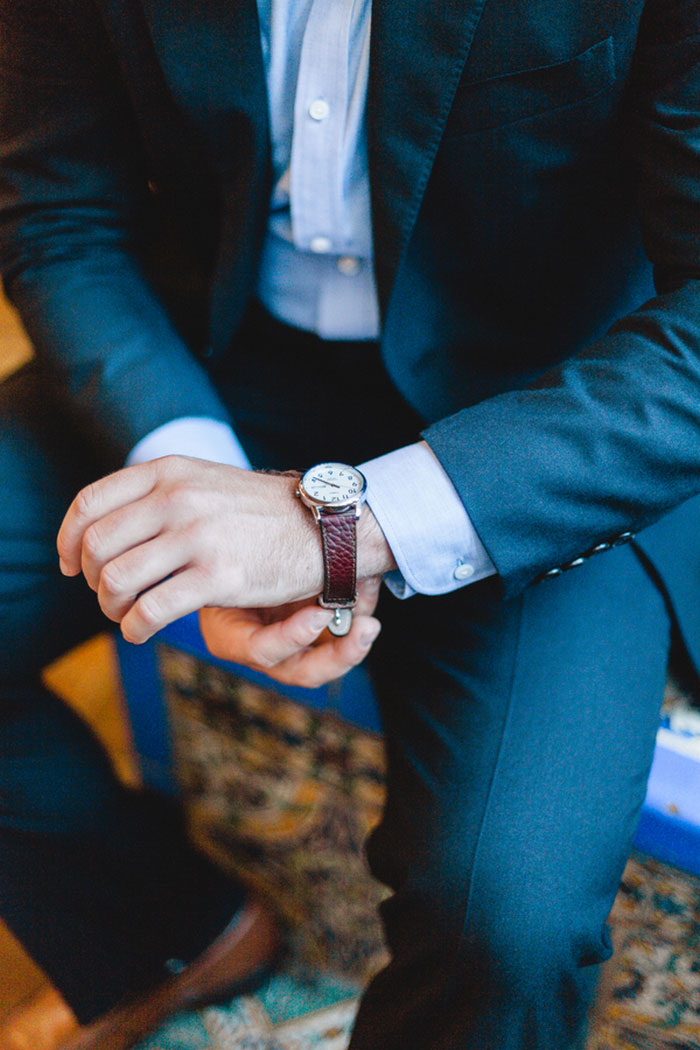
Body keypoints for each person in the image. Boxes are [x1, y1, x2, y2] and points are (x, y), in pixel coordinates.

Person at [1, 0, 699, 1046]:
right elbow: (55, 208)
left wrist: (336, 530)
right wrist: (195, 488)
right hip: (204, 349)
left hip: (543, 406)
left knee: (506, 918)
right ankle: (166, 937)